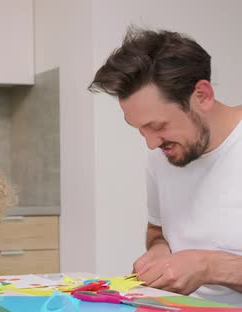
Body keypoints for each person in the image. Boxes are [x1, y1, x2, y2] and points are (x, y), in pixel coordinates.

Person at [88, 27, 242, 305]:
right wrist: (159, 251)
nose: (150, 144)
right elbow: (157, 231)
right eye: (139, 129)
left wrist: (211, 266)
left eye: (158, 126)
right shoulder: (164, 154)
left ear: (202, 95)